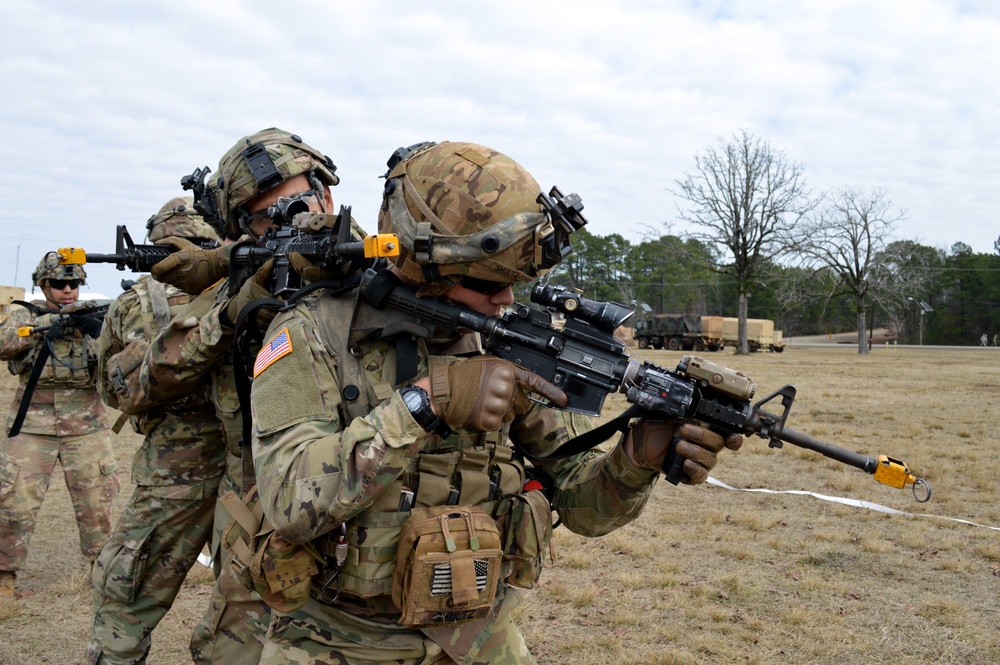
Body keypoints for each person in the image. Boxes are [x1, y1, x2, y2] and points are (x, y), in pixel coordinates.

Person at [248, 141, 743, 663]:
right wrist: (427, 402)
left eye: (516, 284)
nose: (506, 301)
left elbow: (581, 505)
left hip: (479, 637)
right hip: (336, 638)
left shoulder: (503, 340)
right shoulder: (309, 333)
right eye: (488, 283)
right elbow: (287, 500)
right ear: (423, 263)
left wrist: (635, 461)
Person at [139, 128, 342, 664]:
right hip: (253, 514)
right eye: (265, 216)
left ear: (326, 195)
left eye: (298, 202)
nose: (291, 220)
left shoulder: (385, 265)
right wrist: (234, 307)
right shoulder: (235, 287)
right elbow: (154, 376)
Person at [86, 197, 227, 664]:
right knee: (252, 601)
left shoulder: (132, 303)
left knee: (126, 602)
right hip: (255, 464)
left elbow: (109, 389)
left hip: (174, 470)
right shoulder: (256, 290)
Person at [0, 256, 118, 600]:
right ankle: (4, 575)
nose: (67, 290)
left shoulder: (93, 313)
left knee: (98, 502)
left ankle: (102, 570)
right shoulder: (25, 313)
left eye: (73, 284)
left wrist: (98, 332)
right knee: (14, 503)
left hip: (86, 425)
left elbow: (120, 355)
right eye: (58, 285)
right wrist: (46, 325)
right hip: (33, 426)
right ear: (43, 286)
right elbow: (4, 341)